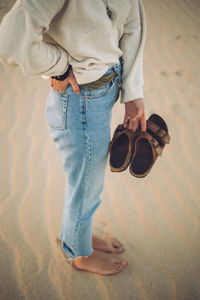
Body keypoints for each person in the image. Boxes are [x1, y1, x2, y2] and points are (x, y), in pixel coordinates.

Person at [0, 0, 147, 276]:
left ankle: (79, 233)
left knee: (89, 180)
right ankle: (78, 252)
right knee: (85, 183)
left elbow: (133, 24)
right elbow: (10, 40)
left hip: (104, 92)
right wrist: (59, 66)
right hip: (79, 99)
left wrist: (133, 92)